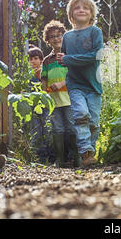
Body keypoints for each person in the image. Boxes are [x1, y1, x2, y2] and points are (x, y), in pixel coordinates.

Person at [57, 0, 103, 167]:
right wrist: (63, 59)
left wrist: (69, 59)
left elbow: (95, 56)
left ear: (91, 14)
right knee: (80, 115)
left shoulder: (95, 32)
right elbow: (63, 58)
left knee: (93, 122)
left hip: (93, 85)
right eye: (77, 7)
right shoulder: (67, 37)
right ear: (71, 14)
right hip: (75, 84)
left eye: (85, 7)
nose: (81, 10)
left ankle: (92, 150)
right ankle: (86, 152)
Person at [41, 20, 81, 168]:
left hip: (69, 99)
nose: (56, 38)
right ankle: (60, 159)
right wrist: (45, 88)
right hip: (54, 101)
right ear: (48, 40)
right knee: (57, 128)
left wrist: (61, 84)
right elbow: (43, 78)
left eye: (59, 35)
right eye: (52, 36)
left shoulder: (70, 56)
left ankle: (77, 157)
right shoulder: (47, 60)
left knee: (71, 127)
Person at [27, 45, 53, 163]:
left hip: (46, 106)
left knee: (47, 130)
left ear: (41, 60)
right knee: (36, 131)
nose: (33, 61)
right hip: (33, 108)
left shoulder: (45, 72)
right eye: (31, 59)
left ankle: (51, 156)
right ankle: (38, 158)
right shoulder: (27, 76)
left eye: (36, 58)